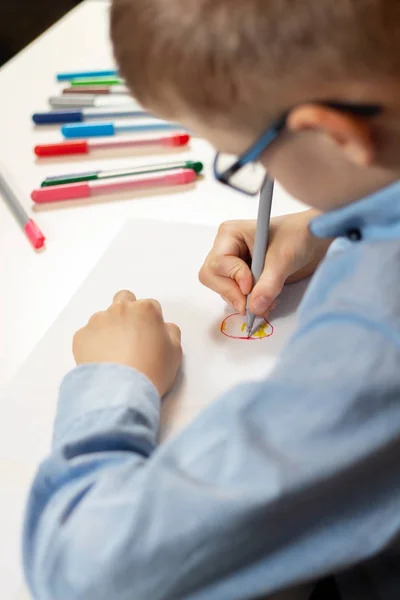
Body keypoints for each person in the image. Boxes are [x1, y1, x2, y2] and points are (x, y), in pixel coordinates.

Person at [23, 1, 400, 599]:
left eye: (246, 161)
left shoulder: (374, 343)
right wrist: (335, 217)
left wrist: (115, 380)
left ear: (334, 134)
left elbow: (88, 571)